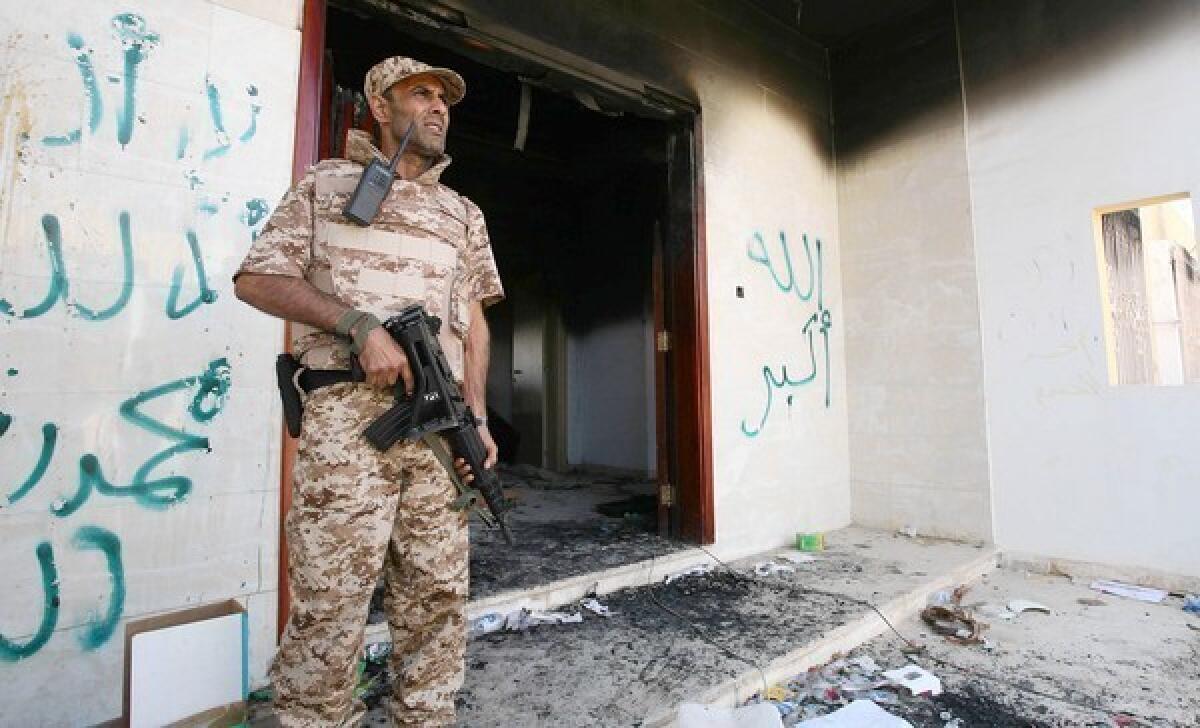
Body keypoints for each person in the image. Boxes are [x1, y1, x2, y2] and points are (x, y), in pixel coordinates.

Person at [233, 55, 504, 727]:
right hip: (348, 424)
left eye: (445, 98)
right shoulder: (325, 186)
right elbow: (257, 279)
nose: (440, 107)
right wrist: (356, 325)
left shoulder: (461, 214)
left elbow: (473, 322)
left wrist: (477, 416)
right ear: (381, 107)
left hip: (439, 431)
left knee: (438, 593)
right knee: (333, 597)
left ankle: (426, 716)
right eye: (422, 94)